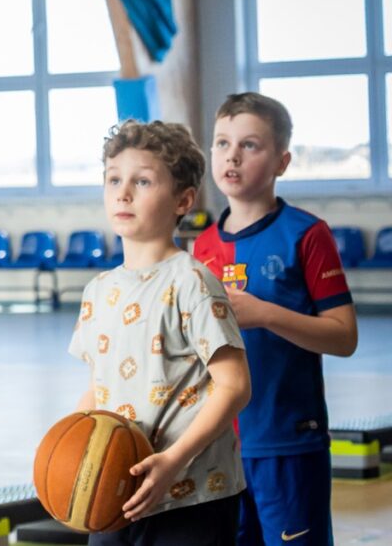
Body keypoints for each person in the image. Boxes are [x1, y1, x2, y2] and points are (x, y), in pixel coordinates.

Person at [69, 120, 251, 546]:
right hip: (118, 489)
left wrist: (172, 460)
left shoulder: (192, 282)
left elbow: (235, 385)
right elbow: (100, 387)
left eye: (143, 181)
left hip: (194, 492)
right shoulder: (99, 290)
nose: (123, 192)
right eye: (114, 179)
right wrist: (72, 449)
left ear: (183, 200)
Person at [194, 93, 357, 546]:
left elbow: (344, 338)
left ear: (281, 161)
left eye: (250, 145)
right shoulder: (201, 247)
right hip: (221, 448)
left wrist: (264, 314)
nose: (232, 154)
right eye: (222, 143)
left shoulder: (306, 234)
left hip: (288, 443)